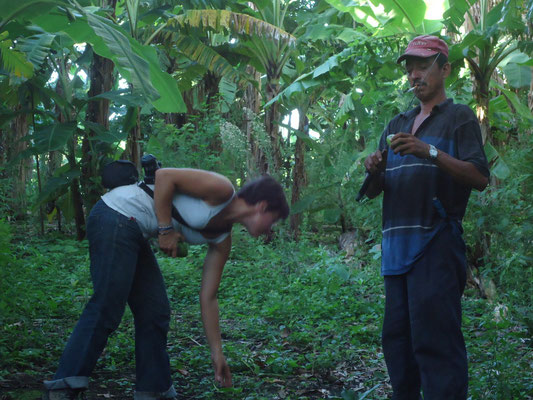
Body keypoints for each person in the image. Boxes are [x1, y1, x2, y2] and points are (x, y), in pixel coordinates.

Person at [43, 168, 289, 400]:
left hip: (134, 230)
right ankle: (64, 384)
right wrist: (165, 229)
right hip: (115, 214)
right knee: (108, 302)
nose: (271, 229)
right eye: (274, 221)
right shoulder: (222, 189)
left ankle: (154, 389)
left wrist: (217, 354)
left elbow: (209, 297)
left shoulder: (223, 239)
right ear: (262, 206)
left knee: (155, 310)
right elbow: (164, 176)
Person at [363, 35, 489, 399]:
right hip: (397, 250)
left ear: (445, 69)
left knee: (435, 342)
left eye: (422, 66)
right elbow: (373, 190)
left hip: (436, 244)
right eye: (410, 69)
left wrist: (428, 151)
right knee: (398, 342)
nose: (414, 75)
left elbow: (479, 177)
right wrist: (374, 168)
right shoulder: (396, 123)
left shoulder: (459, 118)